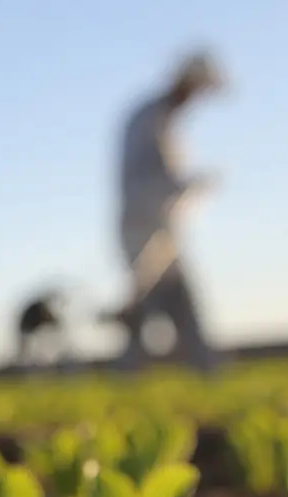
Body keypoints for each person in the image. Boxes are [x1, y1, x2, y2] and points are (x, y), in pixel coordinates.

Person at [112, 51, 226, 373]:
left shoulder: (163, 120)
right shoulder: (150, 120)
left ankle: (205, 369)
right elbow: (149, 180)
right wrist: (191, 184)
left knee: (176, 302)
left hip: (161, 230)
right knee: (150, 304)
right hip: (143, 229)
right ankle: (130, 373)